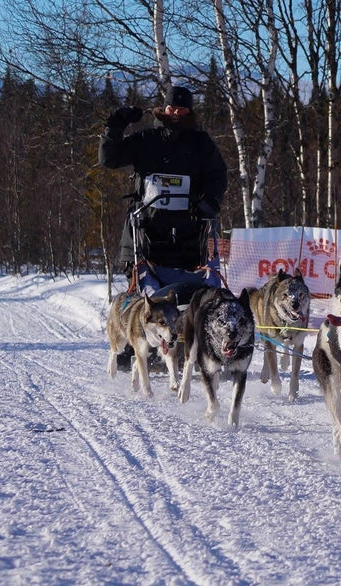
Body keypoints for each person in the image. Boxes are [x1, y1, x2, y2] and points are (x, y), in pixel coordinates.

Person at [100, 85, 228, 371]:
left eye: (183, 110)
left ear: (190, 112)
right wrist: (116, 124)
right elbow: (109, 158)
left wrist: (210, 203)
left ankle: (194, 346)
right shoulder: (147, 140)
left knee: (192, 293)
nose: (177, 114)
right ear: (163, 109)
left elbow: (218, 175)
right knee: (145, 291)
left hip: (188, 233)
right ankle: (137, 343)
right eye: (172, 108)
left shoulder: (201, 143)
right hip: (147, 231)